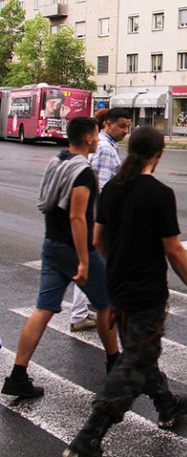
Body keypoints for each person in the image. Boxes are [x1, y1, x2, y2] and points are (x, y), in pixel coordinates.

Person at [63, 127, 187, 457]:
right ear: (159, 154)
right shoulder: (159, 193)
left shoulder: (112, 188)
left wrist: (116, 265)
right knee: (136, 360)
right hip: (147, 291)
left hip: (118, 287)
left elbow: (98, 240)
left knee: (140, 351)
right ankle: (88, 437)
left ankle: (167, 404)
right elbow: (172, 248)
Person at [2, 117, 119, 400]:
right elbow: (77, 216)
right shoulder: (84, 172)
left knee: (43, 309)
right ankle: (115, 367)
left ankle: (18, 375)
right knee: (108, 303)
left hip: (51, 244)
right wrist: (82, 260)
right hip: (73, 249)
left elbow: (49, 204)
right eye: (95, 133)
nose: (97, 137)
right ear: (89, 138)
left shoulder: (58, 161)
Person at [68, 107, 132, 334]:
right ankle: (80, 314)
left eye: (127, 126)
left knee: (93, 265)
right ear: (107, 124)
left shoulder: (105, 145)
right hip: (98, 217)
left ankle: (85, 310)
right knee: (93, 264)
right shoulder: (105, 148)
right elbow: (103, 189)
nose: (125, 131)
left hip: (92, 216)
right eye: (121, 126)